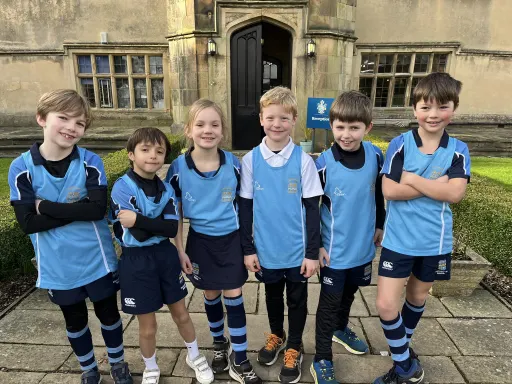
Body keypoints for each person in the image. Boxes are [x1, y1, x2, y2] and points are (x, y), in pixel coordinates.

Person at [8, 89, 132, 384]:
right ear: (41, 118)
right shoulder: (21, 168)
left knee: (109, 315)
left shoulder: (90, 161)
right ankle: (89, 368)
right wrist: (78, 209)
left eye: (79, 123)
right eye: (63, 118)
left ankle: (117, 363)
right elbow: (28, 224)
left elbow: (97, 210)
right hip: (57, 264)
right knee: (74, 319)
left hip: (97, 258)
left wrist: (45, 207)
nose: (71, 127)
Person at [374, 72, 471, 384]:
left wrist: (412, 179)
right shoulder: (400, 145)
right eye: (426, 107)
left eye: (442, 107)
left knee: (416, 298)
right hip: (399, 240)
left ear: (453, 109)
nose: (433, 114)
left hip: (434, 241)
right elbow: (389, 191)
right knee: (386, 304)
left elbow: (455, 194)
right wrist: (433, 184)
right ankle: (406, 366)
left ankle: (402, 353)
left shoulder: (458, 149)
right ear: (414, 109)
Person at [166, 99, 261, 384]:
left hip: (230, 240)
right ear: (188, 130)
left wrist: (249, 246)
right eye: (200, 124)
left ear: (223, 131)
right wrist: (179, 250)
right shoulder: (178, 168)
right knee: (209, 294)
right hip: (200, 242)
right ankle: (220, 344)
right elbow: (176, 214)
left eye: (215, 124)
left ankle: (240, 358)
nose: (208, 130)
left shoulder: (234, 163)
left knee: (234, 295)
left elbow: (247, 207)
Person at [110, 127, 214, 384]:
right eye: (145, 150)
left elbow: (170, 228)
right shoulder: (122, 188)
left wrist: (138, 219)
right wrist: (149, 224)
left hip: (165, 257)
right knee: (148, 325)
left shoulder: (167, 189)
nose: (153, 156)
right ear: (131, 154)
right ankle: (151, 367)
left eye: (159, 151)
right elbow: (139, 237)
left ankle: (194, 355)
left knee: (182, 313)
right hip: (136, 261)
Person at [239, 86, 323, 384]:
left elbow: (313, 210)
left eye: (284, 118)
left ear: (294, 120)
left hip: (297, 251)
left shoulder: (303, 161)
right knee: (273, 297)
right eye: (270, 117)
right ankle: (276, 335)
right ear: (261, 119)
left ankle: (295, 345)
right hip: (266, 250)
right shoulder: (250, 161)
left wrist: (312, 253)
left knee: (297, 300)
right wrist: (248, 250)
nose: (277, 124)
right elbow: (245, 210)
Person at [310, 90, 385, 384]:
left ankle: (341, 329)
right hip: (333, 251)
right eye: (340, 127)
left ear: (367, 127)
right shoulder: (323, 164)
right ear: (332, 126)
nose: (346, 134)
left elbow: (379, 193)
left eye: (354, 127)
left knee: (350, 294)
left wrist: (380, 223)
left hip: (363, 246)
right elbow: (311, 208)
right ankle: (322, 359)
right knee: (328, 305)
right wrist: (315, 245)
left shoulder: (376, 156)